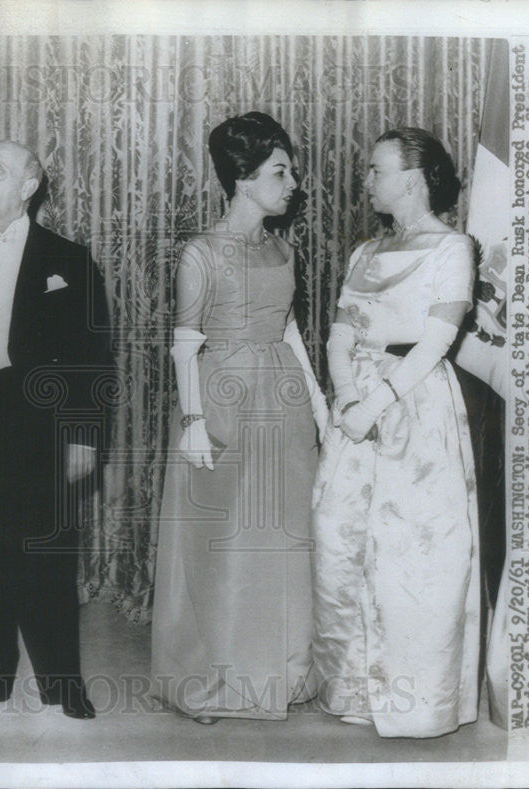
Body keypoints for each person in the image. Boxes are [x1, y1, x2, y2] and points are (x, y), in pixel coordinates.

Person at [151, 112, 329, 724]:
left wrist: (321, 408)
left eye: (291, 171)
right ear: (244, 179)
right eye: (280, 172)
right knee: (223, 543)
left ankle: (279, 672)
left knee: (281, 536)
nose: (293, 184)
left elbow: (291, 332)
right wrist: (193, 422)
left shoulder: (284, 248)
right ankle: (217, 678)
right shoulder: (201, 252)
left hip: (282, 399)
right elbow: (182, 343)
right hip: (222, 399)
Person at [0, 140, 112, 721]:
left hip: (40, 432)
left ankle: (62, 683)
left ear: (29, 185)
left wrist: (84, 435)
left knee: (47, 560)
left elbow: (92, 357)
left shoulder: (69, 259)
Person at [310, 127, 479, 738]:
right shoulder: (364, 252)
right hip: (356, 407)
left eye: (376, 170)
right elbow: (338, 332)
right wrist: (349, 399)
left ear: (412, 179)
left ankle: (413, 700)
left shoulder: (453, 248)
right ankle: (353, 688)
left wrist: (377, 401)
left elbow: (437, 340)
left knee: (415, 554)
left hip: (415, 404)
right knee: (341, 537)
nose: (367, 181)